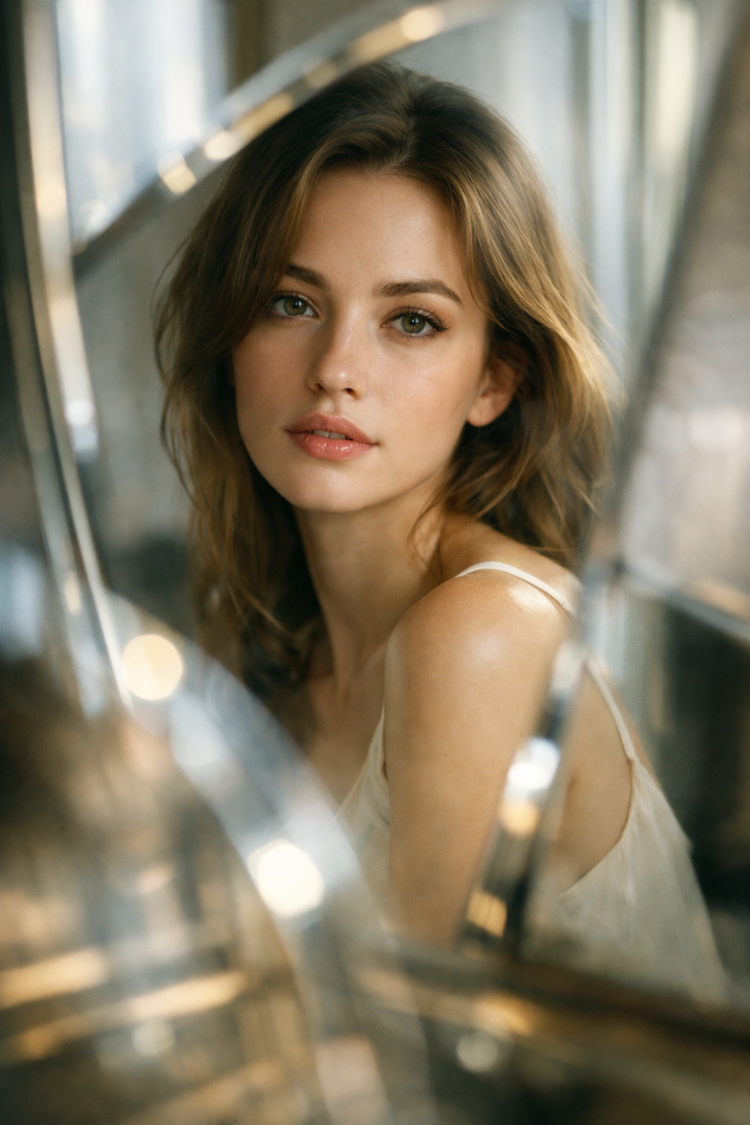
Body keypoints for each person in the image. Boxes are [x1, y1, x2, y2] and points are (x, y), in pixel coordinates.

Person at [157, 63, 723, 996]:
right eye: (291, 302)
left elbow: (407, 1061)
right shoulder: (277, 645)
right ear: (231, 336)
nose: (336, 368)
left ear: (494, 380)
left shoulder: (482, 633)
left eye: (411, 321)